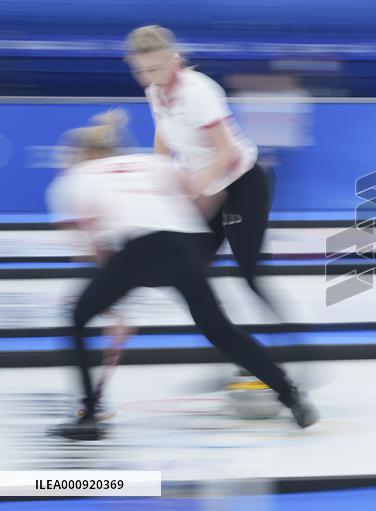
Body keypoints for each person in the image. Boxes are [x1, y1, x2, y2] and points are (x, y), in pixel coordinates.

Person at [46, 110, 318, 440]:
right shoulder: (153, 163)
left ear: (83, 154)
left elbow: (92, 250)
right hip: (184, 247)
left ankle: (89, 414)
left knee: (76, 318)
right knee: (222, 331)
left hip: (137, 252)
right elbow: (210, 196)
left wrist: (114, 309)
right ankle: (293, 398)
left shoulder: (76, 178)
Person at [125, 24, 280, 320]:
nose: (149, 78)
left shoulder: (198, 91)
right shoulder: (154, 92)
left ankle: (286, 343)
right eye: (141, 71)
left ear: (174, 59)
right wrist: (160, 179)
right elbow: (163, 136)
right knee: (189, 268)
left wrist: (194, 190)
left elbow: (228, 152)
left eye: (156, 69)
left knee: (249, 274)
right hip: (210, 188)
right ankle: (235, 343)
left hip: (242, 183)